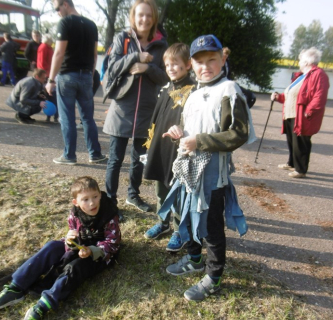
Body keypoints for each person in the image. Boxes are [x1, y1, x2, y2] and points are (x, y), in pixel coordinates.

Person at [160, 34, 256, 301]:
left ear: (222, 58)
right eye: (199, 61)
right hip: (187, 170)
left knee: (212, 227)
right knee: (186, 219)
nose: (206, 66)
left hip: (213, 176)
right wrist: (178, 131)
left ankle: (213, 277)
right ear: (191, 63)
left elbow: (238, 134)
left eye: (211, 60)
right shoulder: (194, 92)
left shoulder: (230, 90)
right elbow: (189, 127)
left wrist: (199, 141)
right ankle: (194, 260)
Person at [0, 176, 121, 320]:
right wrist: (70, 241)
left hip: (100, 254)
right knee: (51, 246)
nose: (92, 203)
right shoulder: (75, 213)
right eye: (85, 199)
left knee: (75, 267)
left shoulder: (109, 214)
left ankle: (44, 304)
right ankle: (16, 287)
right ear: (76, 202)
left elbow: (113, 243)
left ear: (100, 194)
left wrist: (92, 250)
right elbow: (72, 233)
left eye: (95, 197)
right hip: (80, 246)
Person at [103, 0, 168, 212]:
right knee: (115, 160)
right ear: (134, 16)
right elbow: (112, 69)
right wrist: (134, 57)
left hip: (147, 110)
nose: (145, 19)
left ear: (154, 18)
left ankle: (133, 195)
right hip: (122, 108)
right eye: (140, 15)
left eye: (149, 15)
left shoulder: (161, 45)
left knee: (139, 160)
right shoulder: (123, 38)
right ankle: (111, 202)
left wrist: (147, 67)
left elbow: (165, 76)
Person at [143, 43, 196, 251]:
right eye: (167, 64)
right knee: (160, 188)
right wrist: (150, 145)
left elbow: (193, 123)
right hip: (160, 147)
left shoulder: (193, 91)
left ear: (188, 64)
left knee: (178, 192)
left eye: (175, 64)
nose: (171, 68)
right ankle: (163, 222)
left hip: (178, 150)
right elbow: (156, 120)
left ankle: (178, 229)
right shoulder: (166, 88)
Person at [46, 0, 106, 165]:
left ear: (65, 4)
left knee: (67, 118)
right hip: (86, 75)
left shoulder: (65, 23)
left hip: (67, 75)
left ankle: (69, 155)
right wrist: (90, 73)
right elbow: (95, 55)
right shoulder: (91, 25)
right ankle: (95, 154)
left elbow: (59, 52)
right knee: (88, 118)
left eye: (57, 8)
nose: (57, 12)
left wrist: (51, 80)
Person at [271, 47, 329, 178]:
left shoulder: (319, 74)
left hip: (303, 115)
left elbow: (320, 96)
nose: (299, 62)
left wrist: (308, 112)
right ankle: (292, 163)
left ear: (307, 62)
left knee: (301, 142)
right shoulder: (302, 76)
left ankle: (301, 169)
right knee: (292, 140)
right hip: (291, 113)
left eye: (301, 60)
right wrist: (278, 97)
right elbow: (291, 93)